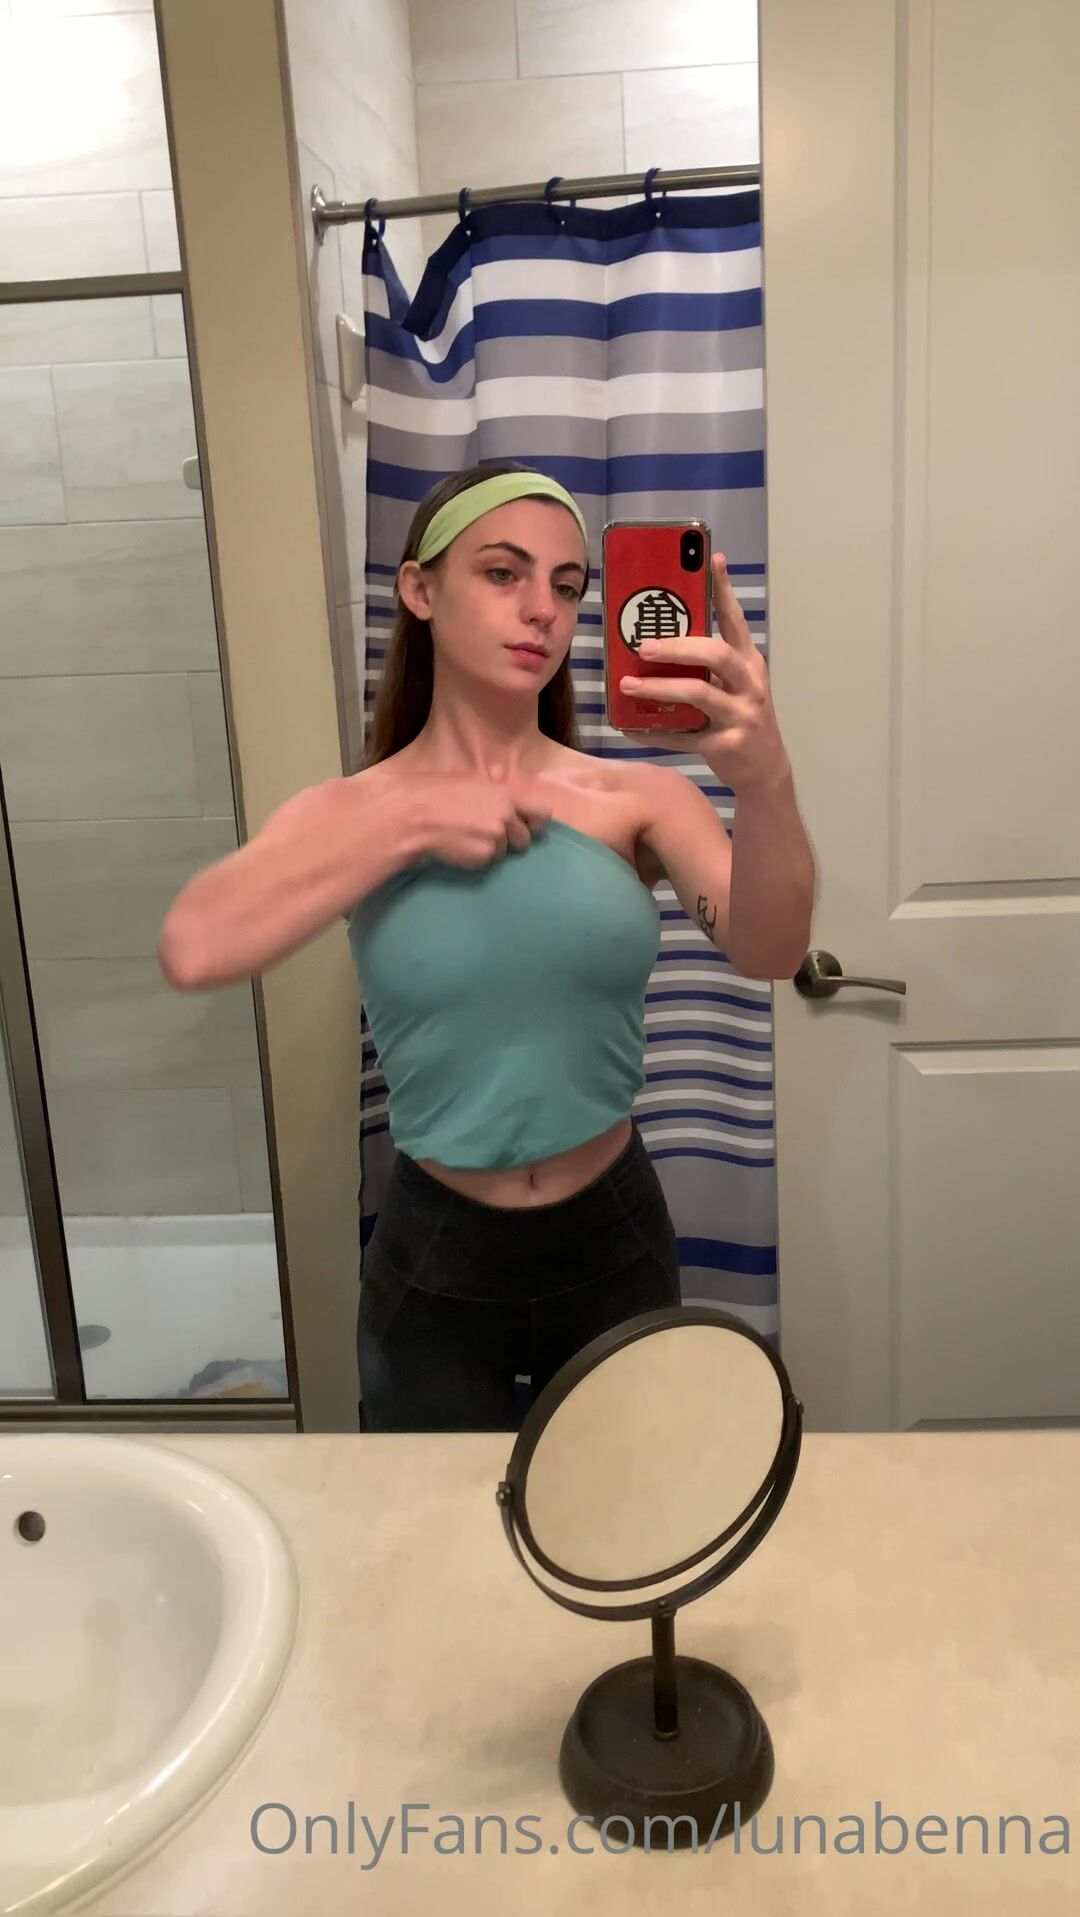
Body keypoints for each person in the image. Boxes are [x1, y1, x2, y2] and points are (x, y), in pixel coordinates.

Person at [158, 461, 816, 1432]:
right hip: (438, 1256)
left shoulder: (639, 799)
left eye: (567, 584)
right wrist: (409, 822)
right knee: (429, 1520)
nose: (542, 608)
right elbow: (195, 946)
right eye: (503, 572)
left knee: (626, 1506)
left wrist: (764, 780)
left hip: (614, 1236)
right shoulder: (349, 812)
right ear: (421, 590)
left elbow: (771, 949)